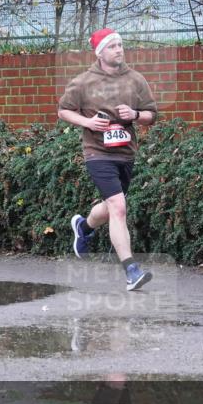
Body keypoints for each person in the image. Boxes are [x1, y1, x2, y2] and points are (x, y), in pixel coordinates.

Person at [58, 28, 158, 291]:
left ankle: (84, 227)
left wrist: (135, 114)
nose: (119, 50)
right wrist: (88, 122)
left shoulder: (135, 80)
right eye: (113, 46)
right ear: (100, 52)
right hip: (97, 152)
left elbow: (151, 114)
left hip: (125, 153)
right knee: (119, 206)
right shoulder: (84, 82)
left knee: (113, 206)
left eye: (120, 45)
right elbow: (64, 110)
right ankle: (131, 271)